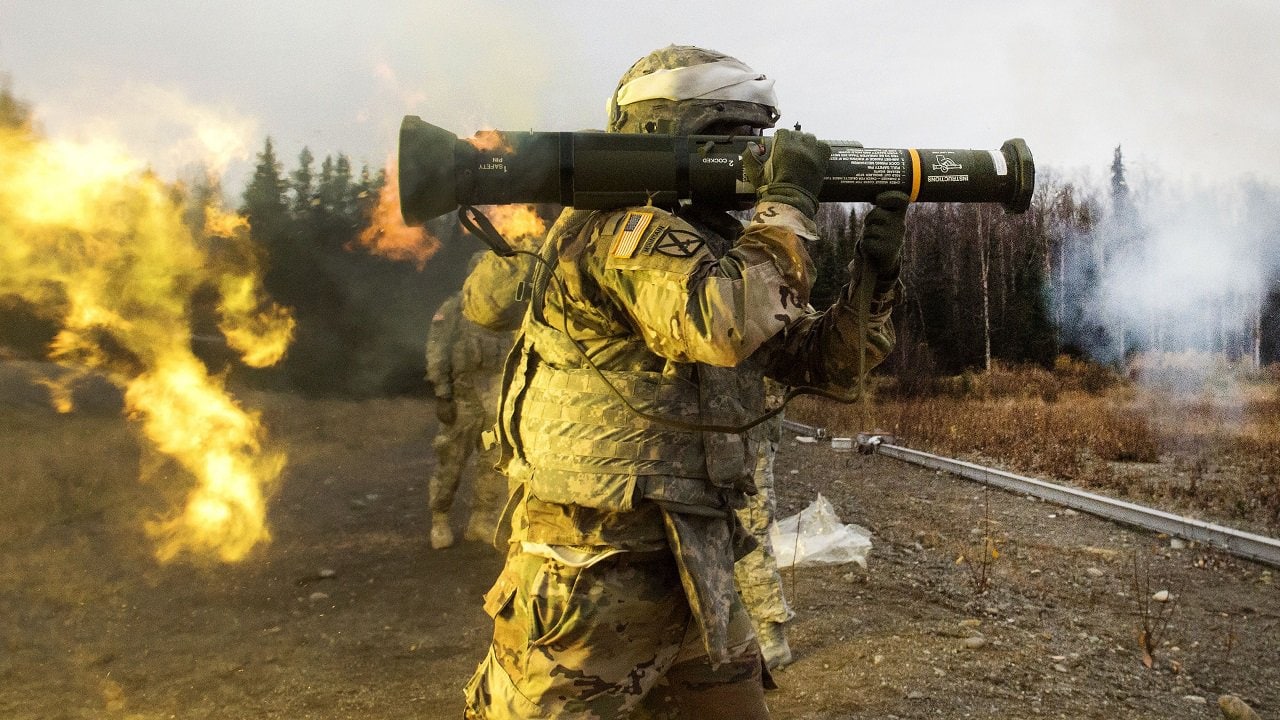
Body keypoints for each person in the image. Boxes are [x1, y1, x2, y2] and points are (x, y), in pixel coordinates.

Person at [460, 45, 907, 717]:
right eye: (730, 141)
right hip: (592, 569)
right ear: (660, 134)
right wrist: (786, 204)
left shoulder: (717, 248)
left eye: (756, 143)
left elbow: (829, 365)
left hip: (698, 563)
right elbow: (719, 321)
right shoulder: (616, 230)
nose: (749, 159)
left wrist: (873, 280)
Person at [424, 251, 516, 549]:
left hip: (496, 406)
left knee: (493, 464)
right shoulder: (455, 308)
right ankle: (440, 521)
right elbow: (437, 351)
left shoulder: (508, 314)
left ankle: (481, 521)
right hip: (464, 403)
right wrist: (442, 394)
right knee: (450, 462)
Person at [734, 379, 793, 672]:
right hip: (726, 416)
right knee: (723, 526)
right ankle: (740, 626)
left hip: (753, 417)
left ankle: (772, 636)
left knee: (751, 529)